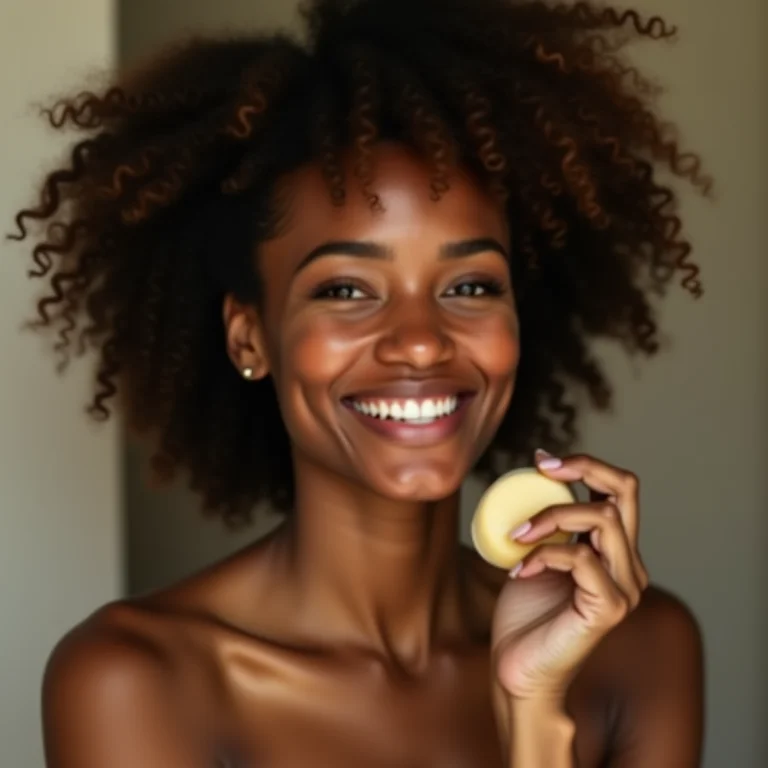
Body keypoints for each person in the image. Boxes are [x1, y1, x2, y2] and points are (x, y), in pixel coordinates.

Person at [10, 0, 707, 765]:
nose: (419, 343)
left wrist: (534, 710)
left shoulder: (637, 649)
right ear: (252, 336)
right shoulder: (133, 681)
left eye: (471, 287)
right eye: (346, 289)